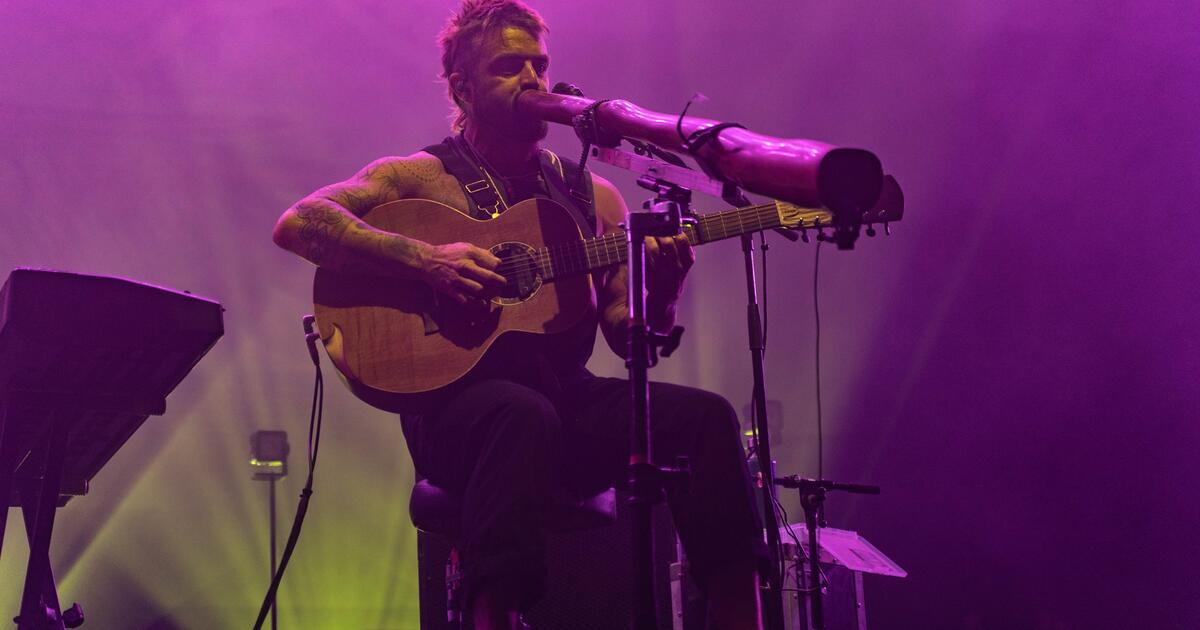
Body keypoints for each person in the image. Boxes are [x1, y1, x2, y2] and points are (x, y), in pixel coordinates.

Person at [272, 1, 765, 628]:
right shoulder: (419, 176)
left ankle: (738, 613)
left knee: (704, 419)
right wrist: (426, 260)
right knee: (517, 412)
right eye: (510, 67)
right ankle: (493, 613)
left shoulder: (591, 195)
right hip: (456, 416)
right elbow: (300, 222)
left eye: (541, 65)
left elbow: (626, 329)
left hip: (568, 402)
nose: (534, 80)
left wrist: (661, 290)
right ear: (462, 87)